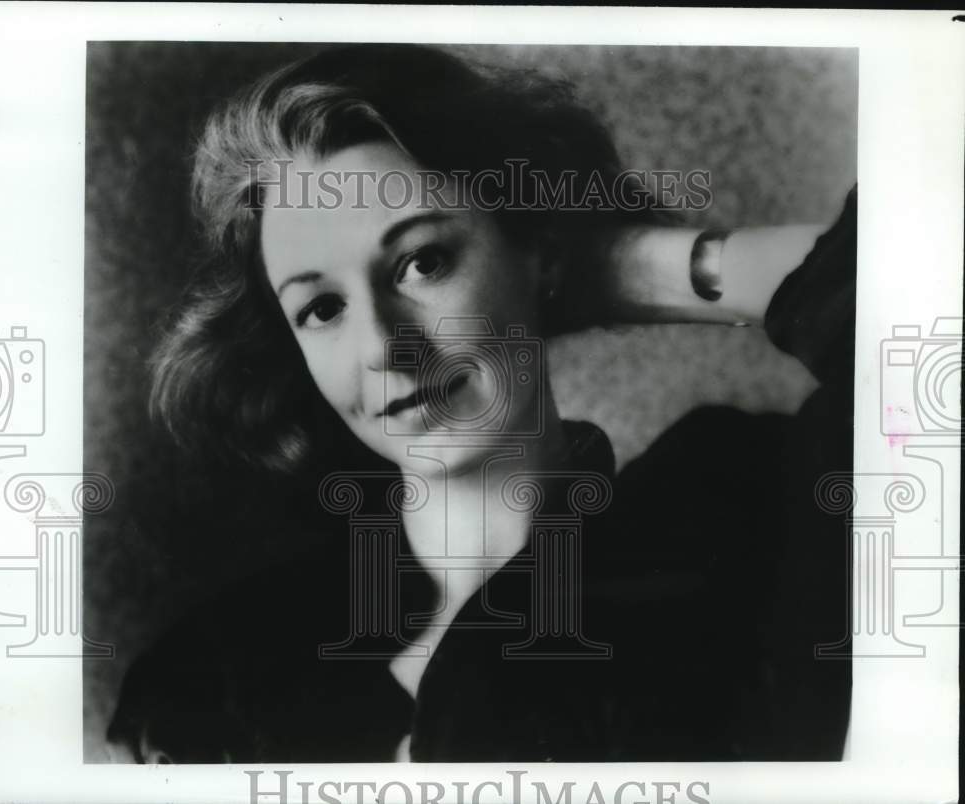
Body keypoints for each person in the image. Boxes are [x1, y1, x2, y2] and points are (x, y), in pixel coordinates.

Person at [107, 44, 855, 763]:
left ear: (536, 245)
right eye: (322, 309)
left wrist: (619, 264)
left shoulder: (758, 530)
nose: (381, 346)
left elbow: (913, 318)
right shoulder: (208, 684)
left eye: (423, 262)